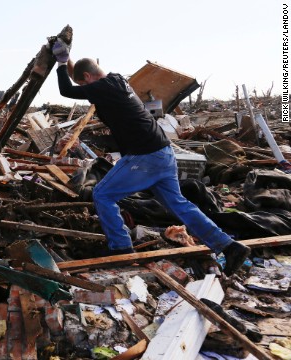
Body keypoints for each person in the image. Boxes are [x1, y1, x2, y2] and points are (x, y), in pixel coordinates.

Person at [51, 39, 250, 275]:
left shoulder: (104, 87)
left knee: (102, 195)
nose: (86, 91)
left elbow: (67, 90)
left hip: (145, 157)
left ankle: (122, 250)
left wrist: (62, 62)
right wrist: (69, 59)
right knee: (180, 206)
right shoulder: (116, 83)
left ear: (89, 77)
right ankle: (229, 246)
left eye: (84, 83)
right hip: (163, 154)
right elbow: (80, 80)